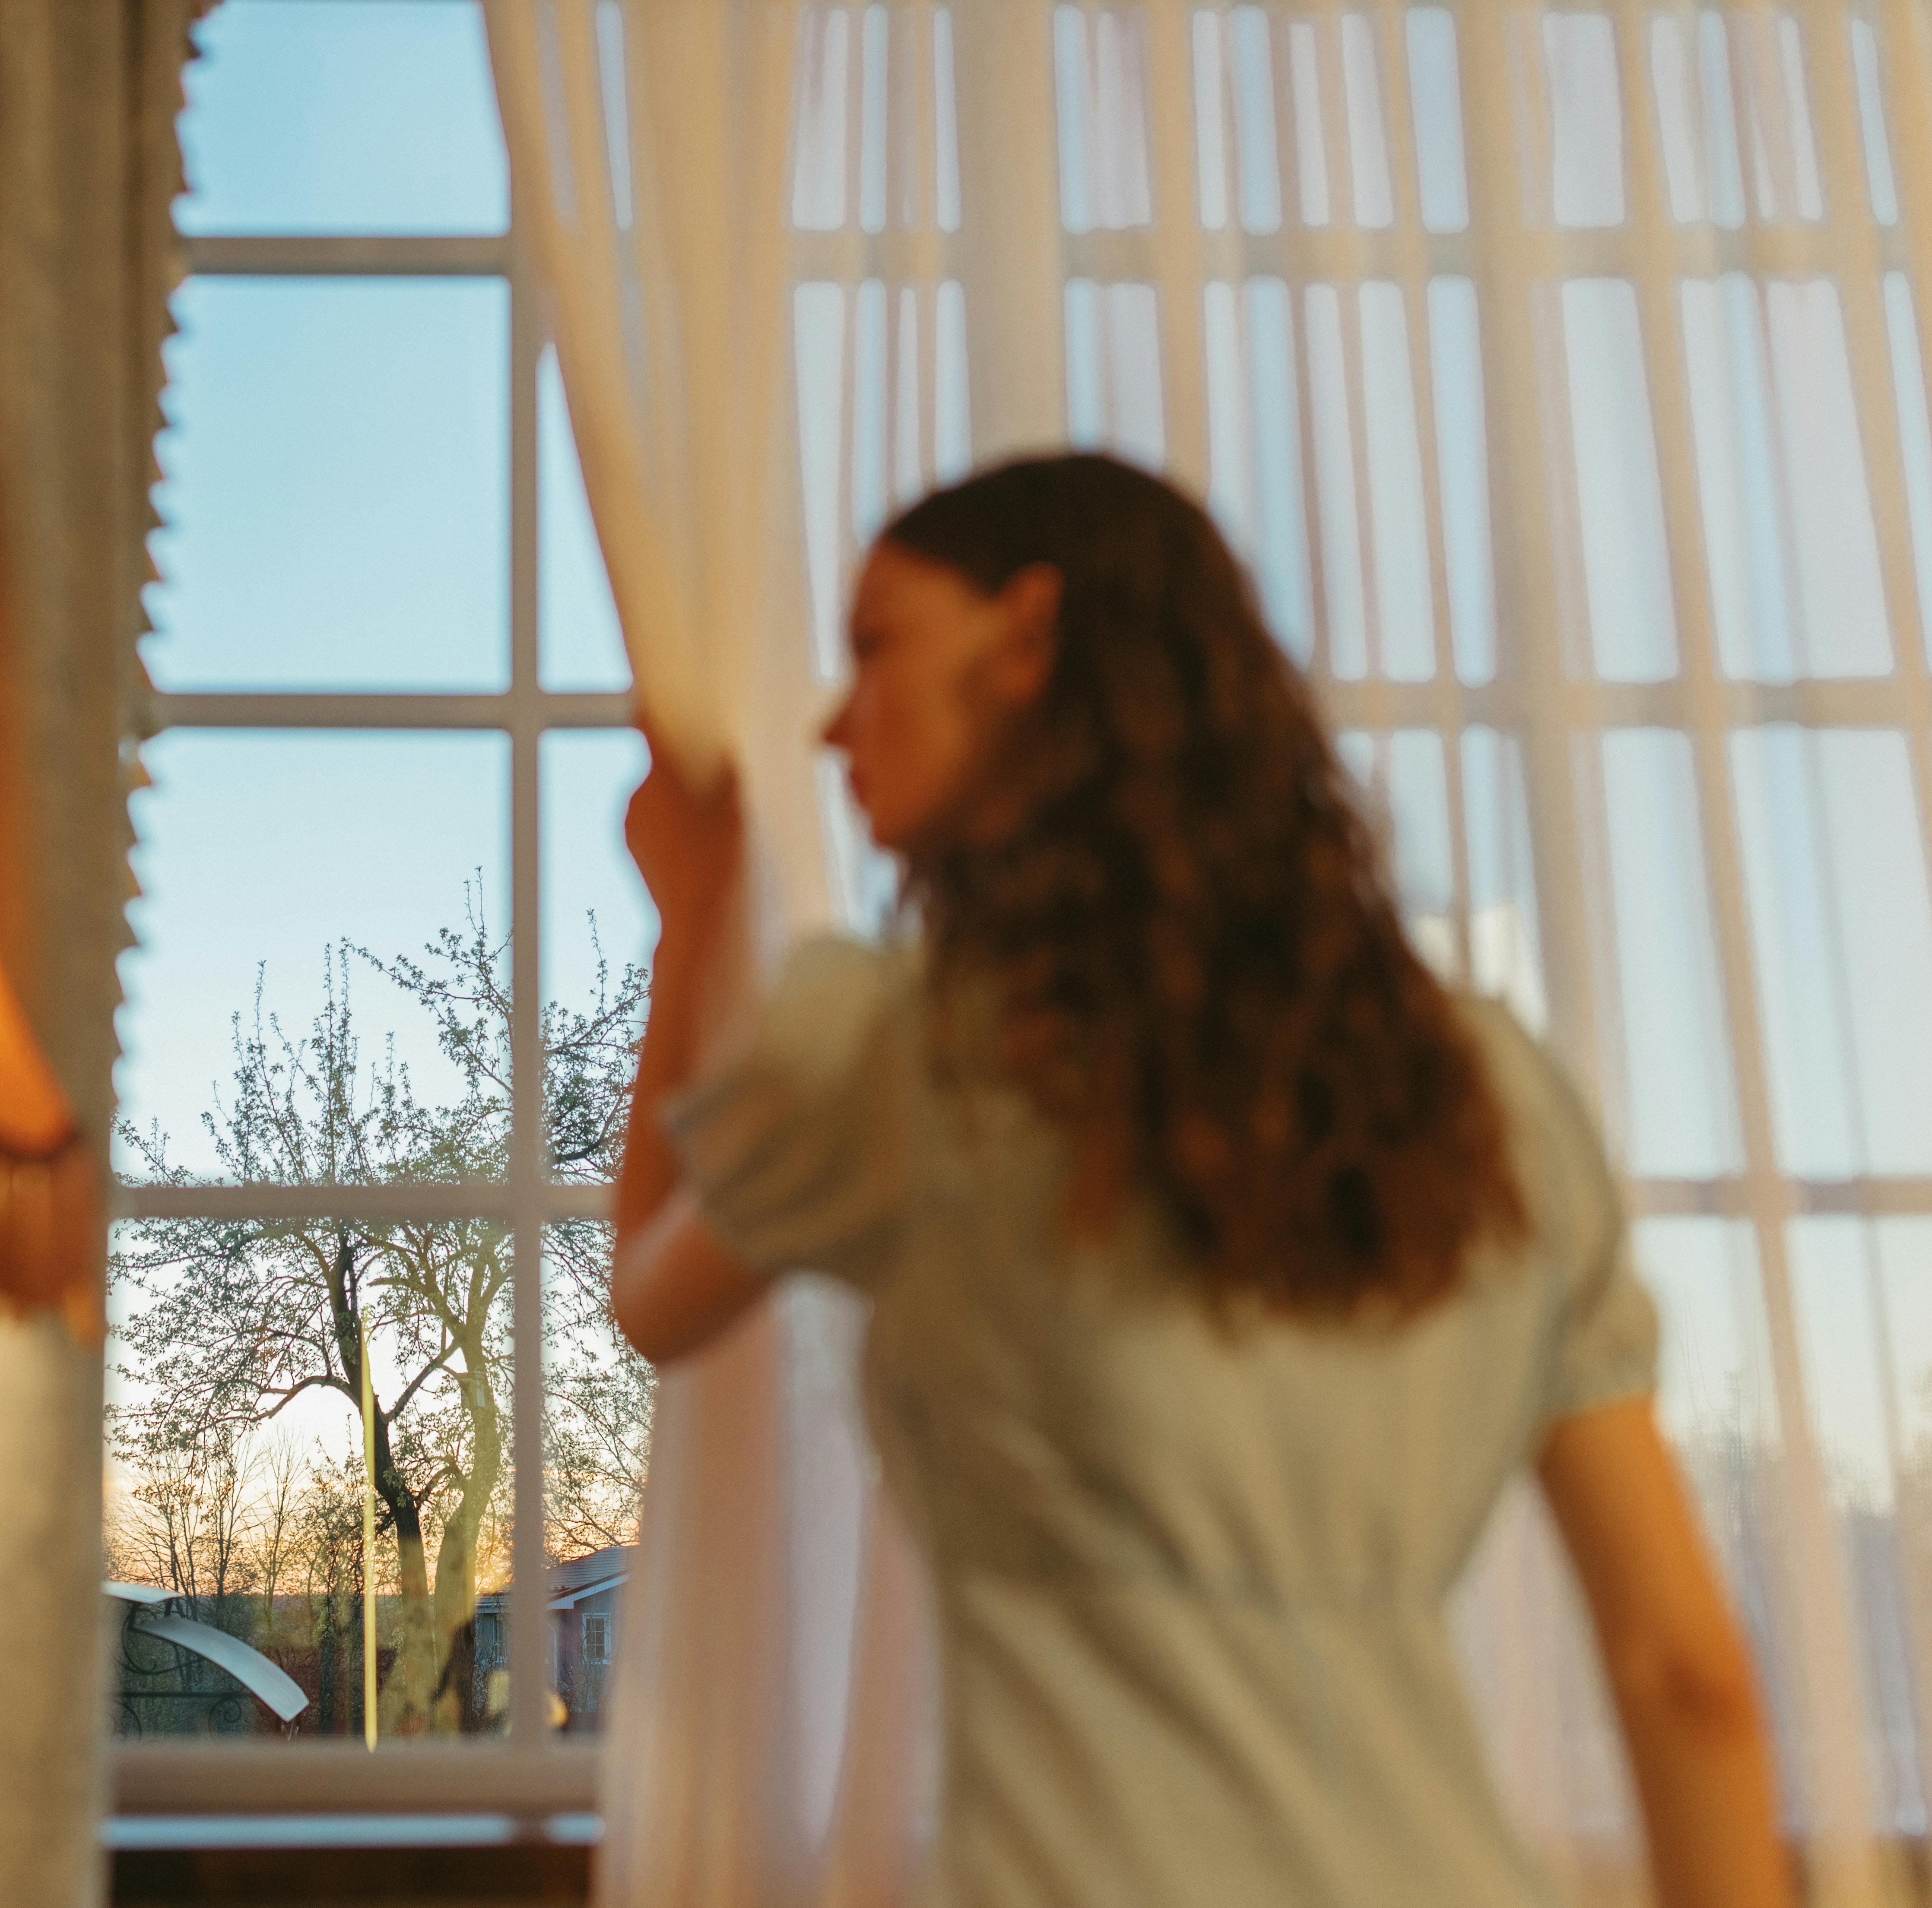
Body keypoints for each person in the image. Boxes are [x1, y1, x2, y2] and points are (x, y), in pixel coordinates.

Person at [612, 453, 1790, 1908]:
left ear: (1028, 638)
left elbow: (651, 1293)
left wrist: (690, 917)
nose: (832, 718)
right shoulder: (1492, 1094)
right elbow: (1683, 1673)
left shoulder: (902, 1062)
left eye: (872, 645)